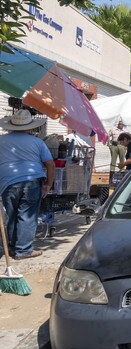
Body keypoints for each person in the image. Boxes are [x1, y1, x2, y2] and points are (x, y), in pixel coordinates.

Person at [0, 109, 55, 259]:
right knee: (26, 215)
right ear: (30, 126)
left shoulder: (1, 140)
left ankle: (11, 248)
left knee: (11, 215)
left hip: (7, 183)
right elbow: (50, 164)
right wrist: (48, 184)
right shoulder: (37, 142)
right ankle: (23, 250)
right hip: (31, 182)